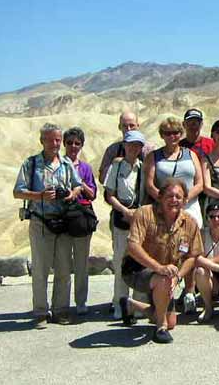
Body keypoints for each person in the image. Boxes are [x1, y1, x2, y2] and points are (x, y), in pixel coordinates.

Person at [13, 123, 83, 327]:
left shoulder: (66, 163)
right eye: (51, 140)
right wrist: (40, 196)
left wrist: (72, 193)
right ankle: (41, 312)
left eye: (58, 140)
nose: (55, 144)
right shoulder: (31, 164)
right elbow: (18, 191)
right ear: (42, 140)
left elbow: (77, 185)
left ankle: (61, 310)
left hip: (63, 222)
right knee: (41, 269)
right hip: (40, 222)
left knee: (63, 268)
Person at [119, 179, 204, 343]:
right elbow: (133, 246)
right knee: (164, 280)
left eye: (179, 197)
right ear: (160, 197)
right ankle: (160, 328)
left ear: (185, 200)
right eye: (169, 196)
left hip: (166, 274)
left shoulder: (190, 223)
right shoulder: (144, 213)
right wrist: (159, 268)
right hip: (136, 269)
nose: (174, 200)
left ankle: (131, 305)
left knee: (173, 320)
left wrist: (178, 277)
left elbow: (192, 256)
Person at [103, 129, 146, 319]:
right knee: (121, 262)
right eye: (130, 144)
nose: (133, 148)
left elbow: (147, 194)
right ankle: (120, 303)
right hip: (122, 220)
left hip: (140, 221)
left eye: (137, 145)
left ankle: (139, 305)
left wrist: (139, 213)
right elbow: (109, 195)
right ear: (125, 146)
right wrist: (124, 211)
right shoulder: (116, 168)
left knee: (141, 262)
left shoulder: (144, 168)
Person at [144, 117, 205, 229]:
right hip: (165, 209)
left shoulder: (191, 155)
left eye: (176, 132)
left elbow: (200, 183)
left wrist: (184, 200)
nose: (172, 136)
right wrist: (167, 201)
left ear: (181, 134)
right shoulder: (153, 157)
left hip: (190, 207)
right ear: (162, 135)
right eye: (167, 133)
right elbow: (149, 185)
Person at [62, 127, 98, 316]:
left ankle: (81, 301)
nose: (73, 147)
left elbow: (92, 194)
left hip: (81, 218)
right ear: (64, 144)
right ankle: (61, 302)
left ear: (82, 146)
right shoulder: (58, 165)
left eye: (77, 143)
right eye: (69, 143)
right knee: (63, 263)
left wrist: (79, 183)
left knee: (81, 263)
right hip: (62, 219)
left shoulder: (85, 168)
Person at [99, 111, 155, 182]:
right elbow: (102, 179)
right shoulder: (113, 150)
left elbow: (155, 176)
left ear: (138, 126)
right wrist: (115, 165)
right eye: (125, 126)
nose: (128, 129)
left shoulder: (148, 149)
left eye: (132, 125)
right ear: (119, 127)